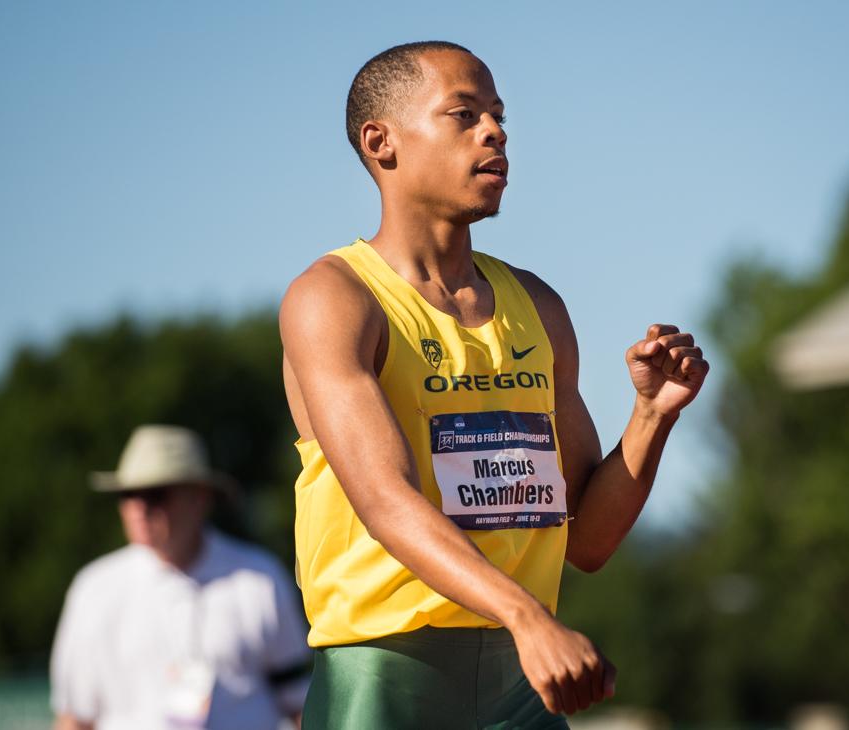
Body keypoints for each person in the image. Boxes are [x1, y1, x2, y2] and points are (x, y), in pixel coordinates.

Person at [280, 41, 709, 729]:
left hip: (521, 683)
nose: (496, 132)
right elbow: (385, 500)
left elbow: (588, 542)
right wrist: (525, 614)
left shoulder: (537, 306)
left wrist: (652, 416)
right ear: (380, 142)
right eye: (464, 114)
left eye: (499, 116)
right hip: (388, 680)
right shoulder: (334, 298)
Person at [50, 424, 312, 730]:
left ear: (199, 497)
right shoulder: (92, 590)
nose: (138, 508)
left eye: (154, 494)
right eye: (127, 493)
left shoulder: (259, 579)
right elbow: (74, 719)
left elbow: (299, 704)